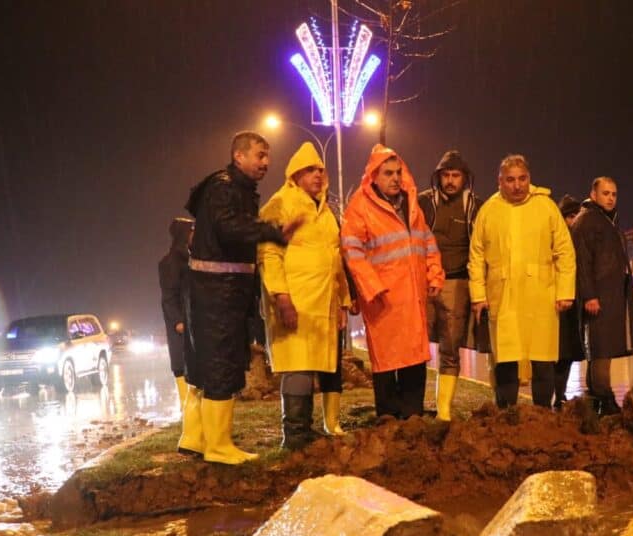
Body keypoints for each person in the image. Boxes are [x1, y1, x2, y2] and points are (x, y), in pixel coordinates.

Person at [181, 131, 302, 465]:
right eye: (260, 155)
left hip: (221, 292)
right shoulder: (224, 189)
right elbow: (230, 228)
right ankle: (218, 447)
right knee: (220, 366)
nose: (266, 162)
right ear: (239, 157)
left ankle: (196, 438)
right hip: (218, 294)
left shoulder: (234, 190)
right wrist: (272, 232)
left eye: (267, 156)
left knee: (209, 367)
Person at [259, 142, 351, 450]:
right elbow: (268, 253)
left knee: (312, 364)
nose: (317, 175)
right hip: (296, 301)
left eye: (321, 170)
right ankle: (294, 435)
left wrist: (342, 301)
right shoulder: (281, 202)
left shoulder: (325, 212)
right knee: (297, 364)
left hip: (322, 302)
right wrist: (281, 297)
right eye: (310, 170)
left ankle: (306, 429)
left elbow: (335, 259)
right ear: (295, 174)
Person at [341, 144, 444, 419]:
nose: (395, 178)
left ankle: (412, 417)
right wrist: (371, 287)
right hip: (384, 299)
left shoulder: (411, 205)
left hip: (412, 296)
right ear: (374, 175)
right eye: (388, 173)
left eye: (398, 172)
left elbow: (426, 241)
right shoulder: (360, 208)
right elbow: (352, 250)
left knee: (414, 358)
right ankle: (387, 419)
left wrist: (434, 273)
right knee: (386, 362)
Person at [468, 154, 576, 408]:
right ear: (500, 181)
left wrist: (565, 291)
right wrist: (479, 295)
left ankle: (542, 413)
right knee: (505, 358)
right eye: (510, 180)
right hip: (503, 295)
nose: (517, 185)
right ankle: (507, 414)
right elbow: (476, 256)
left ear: (529, 178)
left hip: (542, 295)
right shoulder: (489, 211)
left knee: (542, 358)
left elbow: (564, 251)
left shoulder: (546, 207)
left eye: (522, 179)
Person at [418, 150, 482, 421]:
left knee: (450, 348)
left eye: (456, 175)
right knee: (416, 346)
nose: (450, 181)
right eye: (446, 175)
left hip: (457, 283)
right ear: (438, 177)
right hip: (423, 281)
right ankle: (414, 404)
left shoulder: (474, 206)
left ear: (465, 178)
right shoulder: (423, 202)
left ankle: (443, 409)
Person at [571, 177, 633, 414]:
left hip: (609, 297)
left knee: (604, 348)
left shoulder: (607, 221)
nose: (610, 198)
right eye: (606, 193)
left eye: (614, 194)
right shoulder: (587, 221)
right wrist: (589, 295)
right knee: (600, 349)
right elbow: (582, 261)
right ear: (593, 193)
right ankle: (604, 399)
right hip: (598, 297)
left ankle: (597, 400)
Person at [159, 217, 194, 414]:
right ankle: (188, 417)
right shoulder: (171, 262)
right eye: (191, 231)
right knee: (182, 367)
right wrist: (178, 321)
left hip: (192, 322)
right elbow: (169, 296)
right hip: (182, 327)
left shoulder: (190, 258)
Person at [554, 194, 585, 409]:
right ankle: (554, 395)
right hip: (556, 304)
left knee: (568, 355)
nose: (573, 220)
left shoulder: (581, 239)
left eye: (576, 216)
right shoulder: (554, 238)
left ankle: (561, 394)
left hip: (574, 306)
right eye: (569, 216)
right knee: (554, 354)